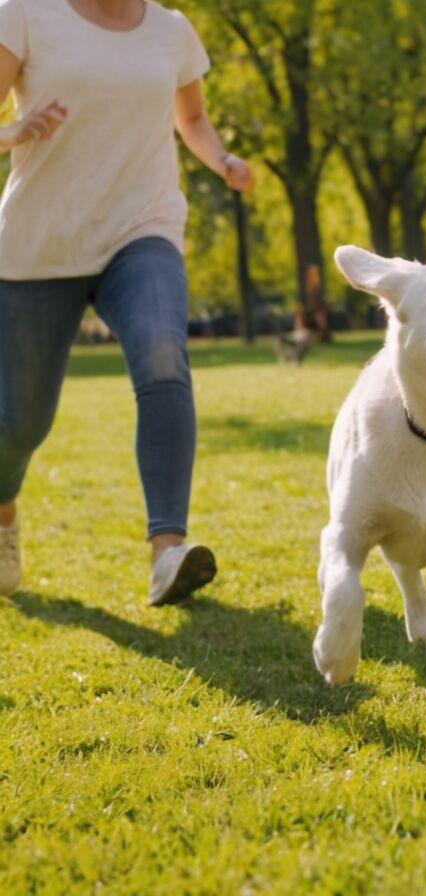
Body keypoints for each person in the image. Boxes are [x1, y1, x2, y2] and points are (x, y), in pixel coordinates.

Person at [0, 0, 254, 601]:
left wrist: (221, 160)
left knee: (163, 353)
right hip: (40, 245)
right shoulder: (24, 15)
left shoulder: (171, 30)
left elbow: (192, 118)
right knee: (20, 422)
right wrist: (15, 131)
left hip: (142, 227)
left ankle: (168, 551)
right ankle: (3, 512)